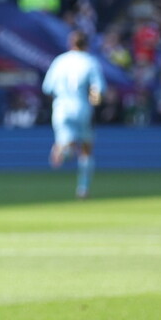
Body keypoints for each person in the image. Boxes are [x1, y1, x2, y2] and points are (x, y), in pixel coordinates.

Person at [41, 30, 107, 199]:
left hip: (61, 107)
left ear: (70, 44)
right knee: (86, 148)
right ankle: (83, 188)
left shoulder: (60, 61)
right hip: (82, 107)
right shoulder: (91, 62)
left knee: (66, 140)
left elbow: (47, 87)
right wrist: (96, 101)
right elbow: (97, 90)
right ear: (87, 45)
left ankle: (64, 148)